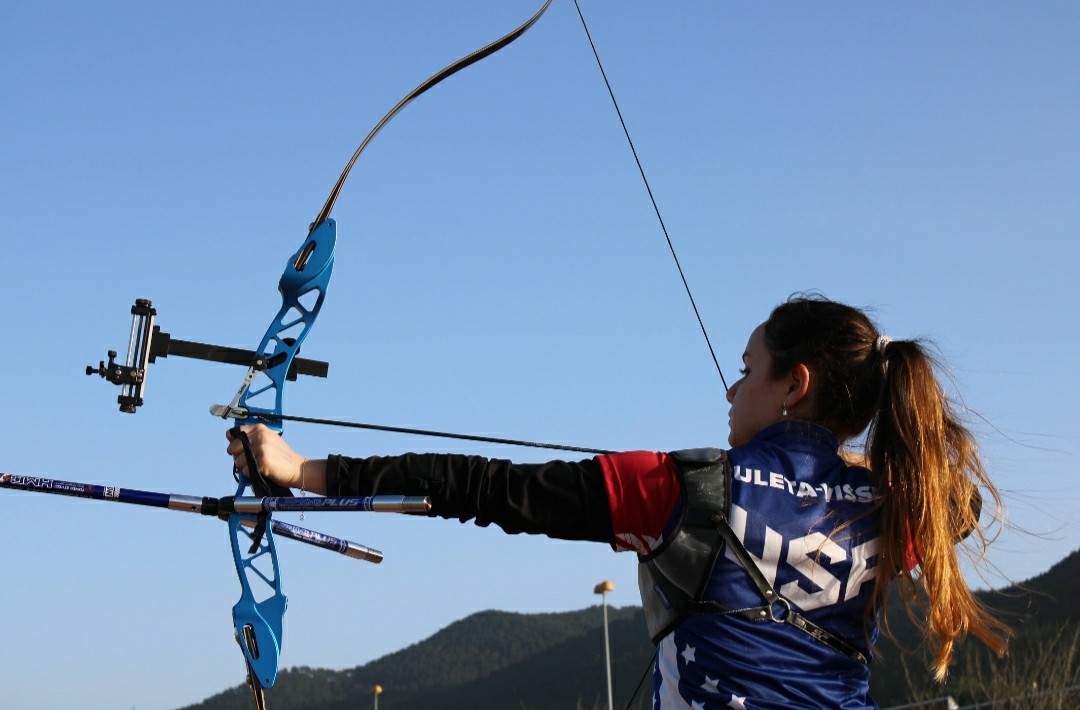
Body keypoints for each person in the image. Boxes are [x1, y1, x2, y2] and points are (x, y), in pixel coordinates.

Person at [227, 294, 1009, 709]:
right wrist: (851, 463)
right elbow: (961, 505)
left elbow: (483, 487)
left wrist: (299, 470)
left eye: (748, 369)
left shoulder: (685, 488)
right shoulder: (890, 509)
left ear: (794, 385)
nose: (733, 389)